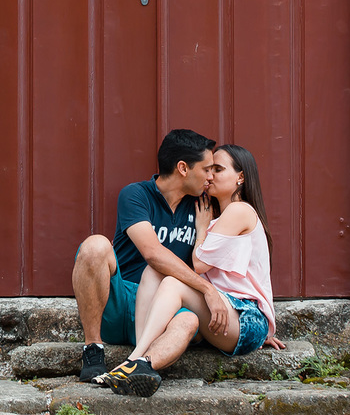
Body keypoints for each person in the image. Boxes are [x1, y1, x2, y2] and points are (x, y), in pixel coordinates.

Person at [101, 143, 285, 397]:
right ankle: (141, 360)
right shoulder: (220, 215)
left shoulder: (239, 210)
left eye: (218, 169)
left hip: (244, 316)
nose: (210, 176)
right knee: (154, 272)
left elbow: (199, 264)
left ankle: (134, 360)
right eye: (209, 169)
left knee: (172, 282)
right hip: (226, 313)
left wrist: (200, 230)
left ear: (240, 177)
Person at [72, 129, 231, 393]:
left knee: (189, 321)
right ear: (183, 168)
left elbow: (241, 252)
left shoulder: (202, 206)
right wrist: (207, 290)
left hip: (161, 309)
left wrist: (256, 320)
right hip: (120, 301)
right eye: (206, 169)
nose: (210, 177)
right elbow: (152, 253)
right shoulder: (136, 195)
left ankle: (139, 367)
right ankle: (93, 350)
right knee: (94, 246)